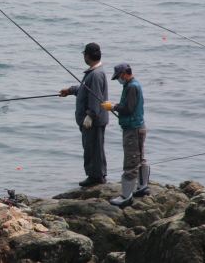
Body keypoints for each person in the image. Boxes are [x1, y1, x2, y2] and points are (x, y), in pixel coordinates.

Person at [59, 43, 109, 186]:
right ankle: (96, 175)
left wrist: (90, 116)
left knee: (93, 149)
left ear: (87, 56)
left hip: (93, 120)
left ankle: (96, 177)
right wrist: (69, 90)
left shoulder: (95, 74)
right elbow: (85, 89)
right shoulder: (94, 72)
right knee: (92, 147)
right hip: (94, 119)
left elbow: (96, 98)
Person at [102, 63, 150, 207]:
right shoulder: (133, 85)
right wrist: (116, 104)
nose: (118, 79)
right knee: (140, 158)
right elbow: (131, 105)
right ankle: (142, 187)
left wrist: (113, 107)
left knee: (131, 161)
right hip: (139, 127)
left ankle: (126, 196)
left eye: (118, 76)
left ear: (123, 73)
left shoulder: (131, 86)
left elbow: (128, 109)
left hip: (133, 129)